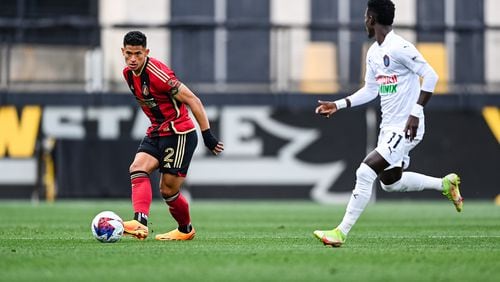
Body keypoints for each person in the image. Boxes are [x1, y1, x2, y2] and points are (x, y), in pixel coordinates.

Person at [313, 0, 462, 247]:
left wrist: (415, 112)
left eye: (365, 17)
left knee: (365, 171)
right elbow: (370, 90)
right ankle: (444, 184)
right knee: (391, 183)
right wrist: (338, 105)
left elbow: (431, 76)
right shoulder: (373, 52)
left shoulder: (400, 47)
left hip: (406, 127)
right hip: (389, 128)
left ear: (371, 18)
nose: (364, 22)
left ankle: (340, 232)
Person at [120, 30, 224, 241]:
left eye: (138, 54)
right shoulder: (128, 74)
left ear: (146, 52)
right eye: (129, 53)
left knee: (168, 190)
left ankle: (185, 230)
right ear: (123, 51)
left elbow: (193, 100)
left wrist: (207, 135)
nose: (133, 59)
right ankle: (140, 222)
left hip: (179, 133)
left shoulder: (160, 75)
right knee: (137, 168)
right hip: (158, 130)